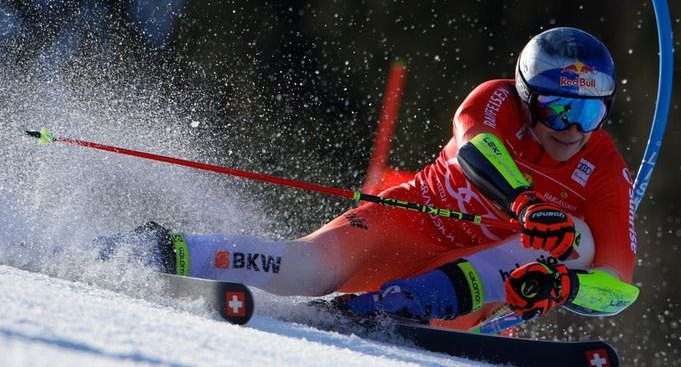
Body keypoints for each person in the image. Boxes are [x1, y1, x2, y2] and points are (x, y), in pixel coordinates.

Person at [102, 27, 639, 330]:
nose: (571, 128)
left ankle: (400, 306)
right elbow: (478, 149)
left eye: (589, 114)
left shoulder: (606, 170)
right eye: (557, 109)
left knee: (580, 238)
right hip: (409, 219)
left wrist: (564, 285)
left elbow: (618, 286)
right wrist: (524, 201)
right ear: (526, 96)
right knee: (304, 265)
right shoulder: (496, 98)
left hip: (464, 288)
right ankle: (155, 250)